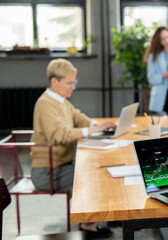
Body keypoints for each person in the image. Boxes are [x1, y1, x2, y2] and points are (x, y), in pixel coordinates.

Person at [30, 58, 116, 238]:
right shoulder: (45, 104)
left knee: (96, 168)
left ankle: (106, 213)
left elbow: (78, 117)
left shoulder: (61, 101)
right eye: (69, 83)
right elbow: (59, 135)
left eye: (74, 82)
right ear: (54, 82)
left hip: (62, 165)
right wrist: (93, 129)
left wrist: (98, 124)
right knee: (92, 175)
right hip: (48, 172)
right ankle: (88, 225)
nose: (73, 87)